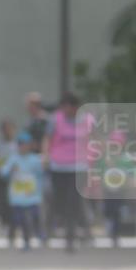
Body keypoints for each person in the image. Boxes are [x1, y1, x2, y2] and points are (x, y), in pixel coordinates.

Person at [42, 92, 92, 252]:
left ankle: (70, 237)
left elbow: (93, 140)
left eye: (69, 106)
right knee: (60, 201)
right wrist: (45, 156)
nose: (66, 109)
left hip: (79, 167)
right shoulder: (55, 119)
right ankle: (54, 229)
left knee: (73, 202)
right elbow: (47, 139)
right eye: (64, 106)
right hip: (59, 167)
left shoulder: (87, 119)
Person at [0, 131, 45, 251]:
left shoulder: (35, 159)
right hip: (17, 195)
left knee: (35, 215)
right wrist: (10, 170)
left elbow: (41, 173)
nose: (23, 147)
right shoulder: (13, 159)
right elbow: (3, 172)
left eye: (26, 144)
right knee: (19, 218)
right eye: (21, 144)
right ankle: (24, 239)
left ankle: (39, 233)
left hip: (31, 194)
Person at [0, 119, 18, 230]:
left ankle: (14, 224)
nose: (8, 131)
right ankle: (4, 223)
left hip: (14, 178)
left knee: (13, 202)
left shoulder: (17, 145)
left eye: (10, 129)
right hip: (0, 177)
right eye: (5, 129)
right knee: (2, 201)